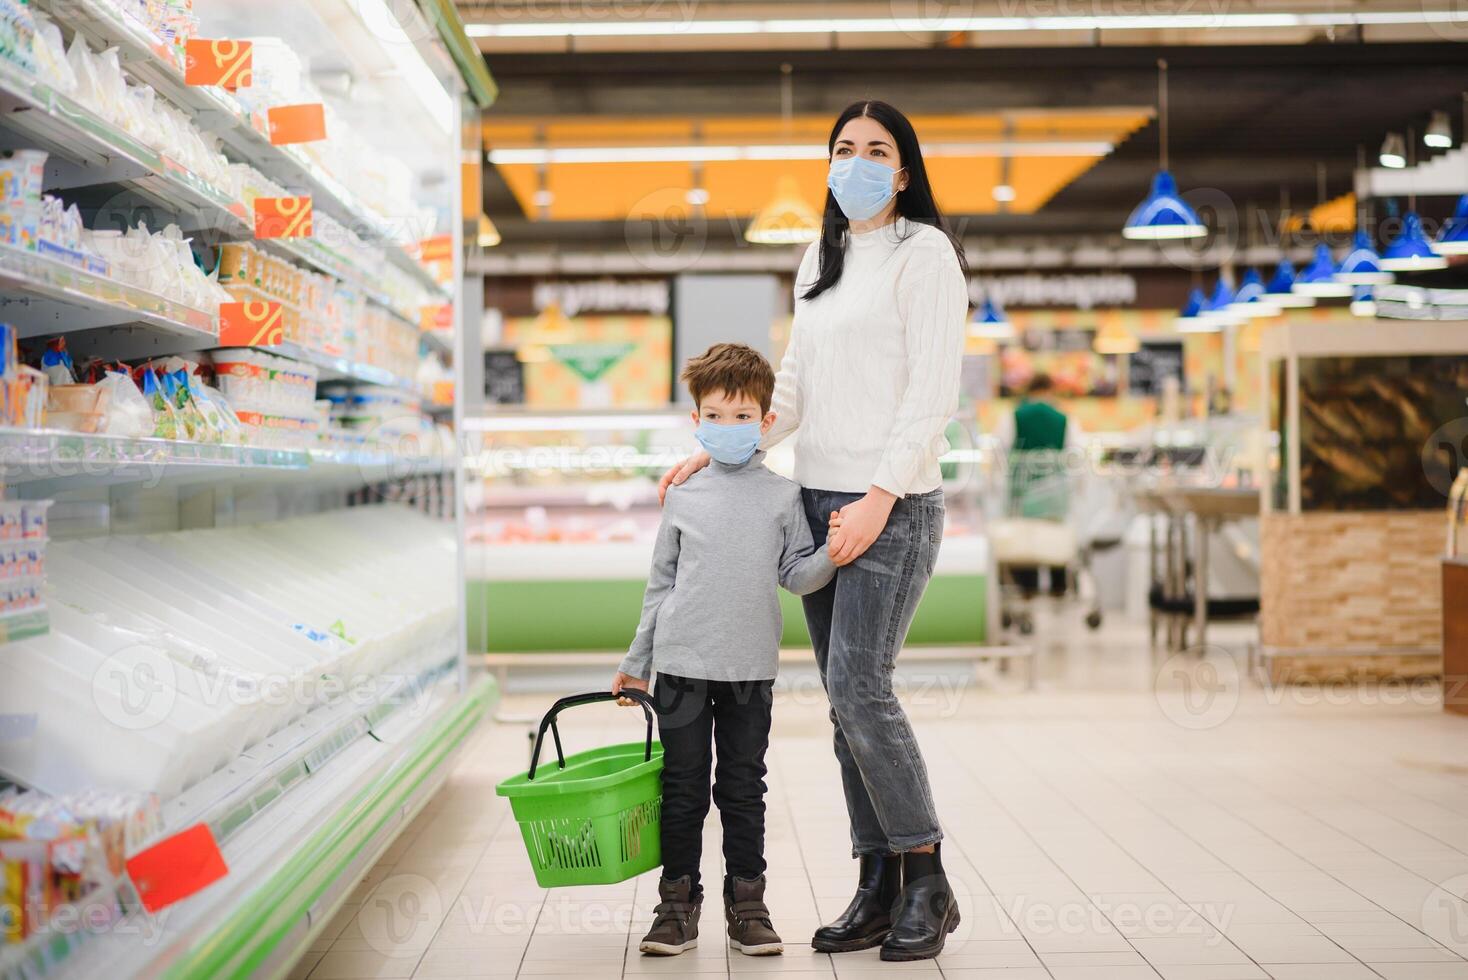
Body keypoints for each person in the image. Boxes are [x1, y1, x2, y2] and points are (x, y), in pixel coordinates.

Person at [659, 100, 969, 962]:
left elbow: (932, 392)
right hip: (816, 499)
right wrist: (727, 450)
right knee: (842, 704)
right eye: (844, 148)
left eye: (878, 150)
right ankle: (876, 881)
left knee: (861, 688)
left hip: (891, 504)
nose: (858, 162)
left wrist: (877, 497)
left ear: (904, 170)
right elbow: (794, 380)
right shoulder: (819, 258)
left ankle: (927, 875)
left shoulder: (925, 254)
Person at [612, 343, 837, 958]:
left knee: (742, 785)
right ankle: (676, 905)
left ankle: (748, 904)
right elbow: (661, 585)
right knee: (683, 787)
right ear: (697, 421)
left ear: (766, 422)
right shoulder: (684, 494)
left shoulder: (783, 496)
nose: (729, 427)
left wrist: (832, 555)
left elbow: (795, 575)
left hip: (749, 669)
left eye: (743, 417)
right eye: (716, 415)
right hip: (680, 666)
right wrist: (637, 663)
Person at [996, 373, 1082, 596]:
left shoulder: (1014, 416)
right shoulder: (1064, 419)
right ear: (1051, 390)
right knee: (1055, 542)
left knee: (1025, 544)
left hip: (1022, 495)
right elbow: (1076, 455)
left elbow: (999, 452)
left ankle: (1027, 591)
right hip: (1056, 496)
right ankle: (1059, 589)